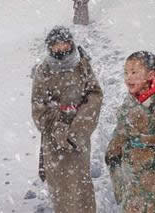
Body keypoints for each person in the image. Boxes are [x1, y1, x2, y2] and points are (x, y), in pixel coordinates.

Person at [31, 26, 103, 213]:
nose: (61, 48)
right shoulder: (43, 71)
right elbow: (38, 108)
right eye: (56, 45)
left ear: (70, 43)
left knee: (81, 185)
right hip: (53, 142)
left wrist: (78, 127)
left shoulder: (82, 65)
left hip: (79, 138)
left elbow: (95, 95)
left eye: (64, 43)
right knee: (61, 189)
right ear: (50, 47)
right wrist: (59, 124)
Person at [105, 51, 155, 212]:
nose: (128, 77)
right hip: (133, 184)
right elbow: (121, 131)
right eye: (126, 72)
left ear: (150, 74)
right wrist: (113, 154)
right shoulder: (130, 102)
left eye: (134, 72)